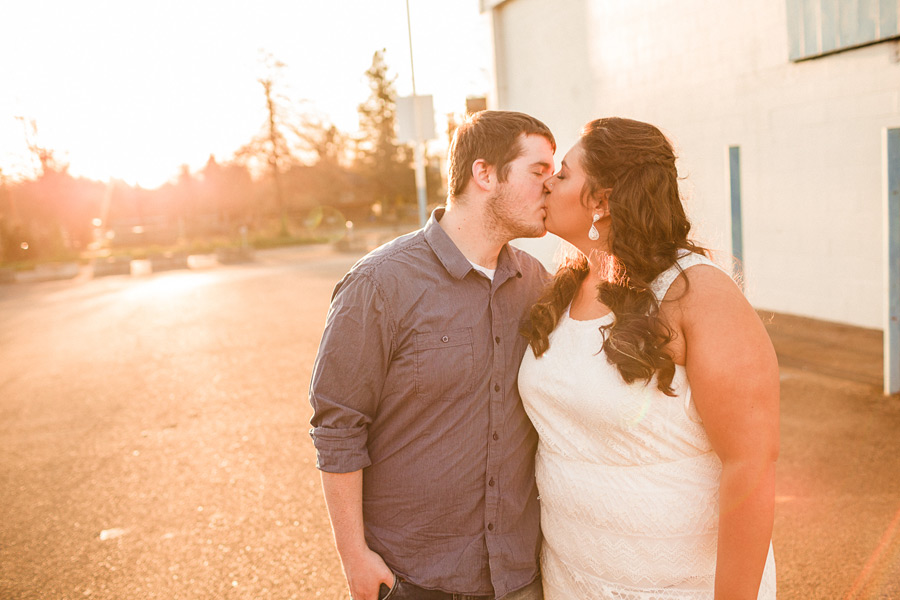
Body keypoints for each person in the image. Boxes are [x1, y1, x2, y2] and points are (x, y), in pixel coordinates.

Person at [518, 117, 779, 599]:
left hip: (679, 587)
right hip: (572, 581)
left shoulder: (697, 292)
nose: (547, 183)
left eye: (564, 174)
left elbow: (751, 462)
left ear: (602, 199)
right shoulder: (563, 286)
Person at [309, 110, 556, 600]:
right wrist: (353, 556)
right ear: (484, 174)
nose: (550, 187)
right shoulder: (378, 285)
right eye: (538, 171)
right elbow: (338, 426)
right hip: (413, 579)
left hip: (518, 578)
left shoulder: (536, 283)